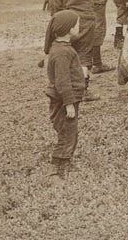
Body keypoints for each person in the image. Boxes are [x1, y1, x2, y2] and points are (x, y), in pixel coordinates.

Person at [44, 10, 84, 179]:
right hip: (64, 100)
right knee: (67, 133)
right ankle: (56, 169)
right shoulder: (63, 52)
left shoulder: (61, 48)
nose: (79, 27)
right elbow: (62, 81)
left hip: (66, 98)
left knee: (69, 132)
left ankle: (64, 163)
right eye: (77, 25)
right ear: (69, 30)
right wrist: (69, 103)